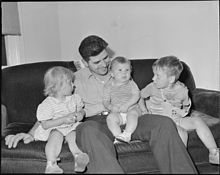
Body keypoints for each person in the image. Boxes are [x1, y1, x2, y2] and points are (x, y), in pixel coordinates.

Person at [5, 35, 198, 173]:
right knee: (87, 131)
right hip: (97, 122)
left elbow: (138, 96)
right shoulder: (75, 79)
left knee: (163, 124)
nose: (105, 65)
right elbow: (53, 104)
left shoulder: (121, 70)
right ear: (84, 62)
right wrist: (29, 133)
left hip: (132, 117)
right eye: (97, 62)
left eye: (106, 58)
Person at [139, 56, 219, 165]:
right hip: (160, 121)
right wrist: (144, 110)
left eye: (157, 76)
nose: (153, 78)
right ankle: (180, 163)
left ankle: (214, 153)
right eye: (154, 75)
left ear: (171, 79)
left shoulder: (182, 90)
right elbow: (140, 97)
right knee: (182, 133)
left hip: (175, 118)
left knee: (198, 121)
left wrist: (181, 111)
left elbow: (186, 106)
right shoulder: (152, 87)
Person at [103, 56, 142, 143]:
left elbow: (136, 95)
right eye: (120, 70)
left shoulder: (131, 83)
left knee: (132, 114)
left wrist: (127, 105)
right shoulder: (108, 86)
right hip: (118, 113)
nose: (124, 73)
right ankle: (119, 137)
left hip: (132, 109)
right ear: (112, 73)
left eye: (127, 70)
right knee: (110, 118)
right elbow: (105, 101)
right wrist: (111, 107)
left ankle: (127, 134)